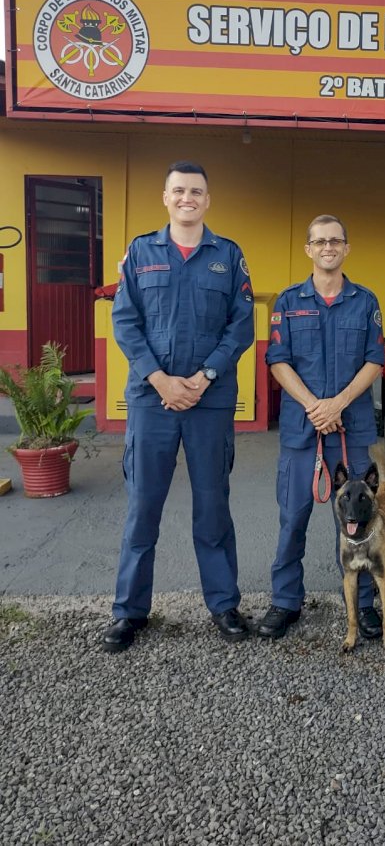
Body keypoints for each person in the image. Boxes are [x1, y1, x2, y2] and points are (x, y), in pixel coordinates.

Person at [101, 161, 255, 652]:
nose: (187, 198)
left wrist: (204, 375)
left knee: (213, 507)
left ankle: (224, 605)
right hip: (153, 400)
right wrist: (161, 379)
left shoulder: (228, 256)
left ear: (208, 200)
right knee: (143, 506)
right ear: (165, 197)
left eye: (196, 191)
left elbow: (241, 325)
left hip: (209, 402)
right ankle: (129, 612)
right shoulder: (141, 252)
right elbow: (125, 321)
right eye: (179, 191)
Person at [258, 215, 385, 640]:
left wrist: (339, 404)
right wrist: (316, 406)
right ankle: (285, 602)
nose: (328, 247)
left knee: (358, 522)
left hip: (353, 431)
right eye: (320, 241)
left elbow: (374, 359)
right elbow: (278, 361)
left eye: (336, 240)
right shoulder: (288, 302)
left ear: (346, 248)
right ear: (309, 249)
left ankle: (364, 606)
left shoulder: (366, 302)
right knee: (292, 519)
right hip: (303, 431)